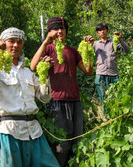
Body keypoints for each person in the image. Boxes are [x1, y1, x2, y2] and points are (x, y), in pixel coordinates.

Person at [0, 27, 60, 167]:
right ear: (3, 44)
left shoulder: (27, 72)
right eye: (11, 41)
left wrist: (44, 74)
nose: (16, 45)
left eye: (19, 42)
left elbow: (44, 98)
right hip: (9, 132)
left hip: (34, 131)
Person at [30, 17, 93, 167]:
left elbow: (89, 72)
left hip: (75, 101)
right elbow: (33, 66)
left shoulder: (72, 51)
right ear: (50, 32)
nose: (59, 31)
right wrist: (46, 41)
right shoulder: (49, 49)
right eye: (55, 29)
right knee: (61, 144)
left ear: (66, 31)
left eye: (62, 28)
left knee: (77, 139)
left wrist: (89, 50)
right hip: (56, 101)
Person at [85, 23, 130, 113]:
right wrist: (88, 44)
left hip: (113, 74)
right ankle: (106, 116)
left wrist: (120, 39)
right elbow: (87, 55)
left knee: (116, 96)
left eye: (104, 29)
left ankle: (116, 115)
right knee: (103, 97)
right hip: (101, 74)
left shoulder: (114, 42)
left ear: (107, 30)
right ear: (97, 33)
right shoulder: (95, 44)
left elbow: (127, 50)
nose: (102, 31)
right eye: (100, 30)